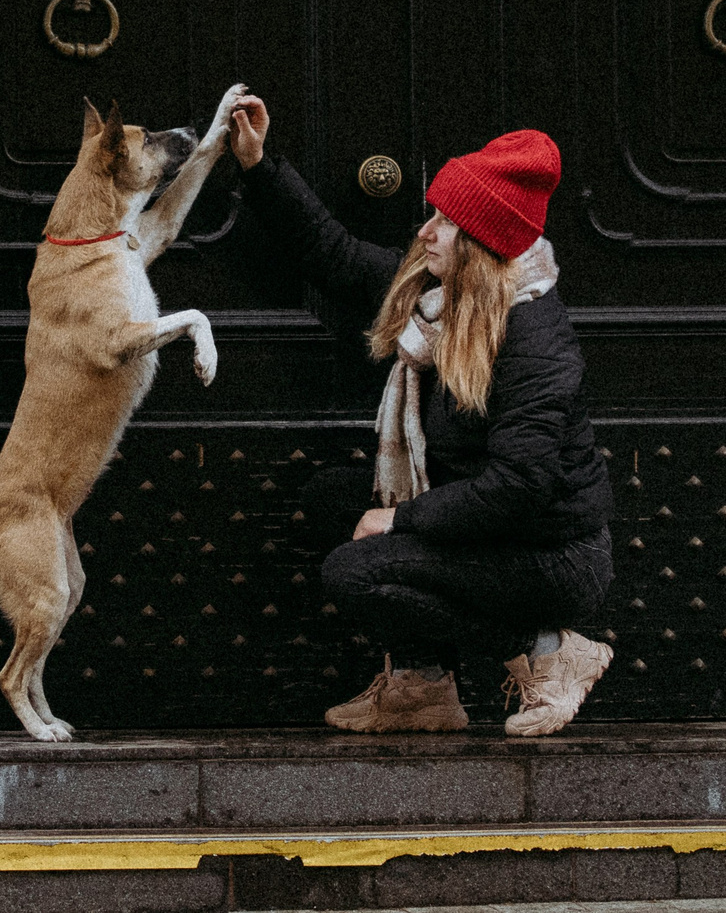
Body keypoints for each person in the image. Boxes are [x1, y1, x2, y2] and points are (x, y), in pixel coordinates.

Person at [226, 93, 615, 735]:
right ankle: (422, 686)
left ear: (485, 241)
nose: (425, 231)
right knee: (332, 501)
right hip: (487, 530)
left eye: (445, 221)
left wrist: (402, 518)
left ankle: (551, 651)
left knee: (355, 570)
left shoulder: (533, 340)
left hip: (550, 555)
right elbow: (338, 258)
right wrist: (260, 164)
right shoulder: (440, 300)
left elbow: (520, 487)